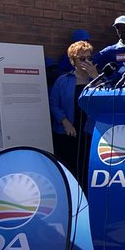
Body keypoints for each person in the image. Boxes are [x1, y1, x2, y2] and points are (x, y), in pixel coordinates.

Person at [49, 39, 99, 180]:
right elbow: (54, 103)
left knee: (88, 170)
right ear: (73, 61)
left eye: (89, 58)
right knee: (69, 169)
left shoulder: (97, 80)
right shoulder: (63, 80)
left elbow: (107, 99)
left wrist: (95, 76)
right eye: (82, 58)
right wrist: (65, 122)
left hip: (90, 132)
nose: (86, 61)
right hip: (67, 132)